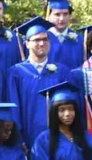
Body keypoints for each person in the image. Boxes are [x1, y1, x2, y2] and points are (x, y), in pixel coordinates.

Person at [7, 16, 61, 145]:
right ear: (27, 43)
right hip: (26, 136)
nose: (42, 43)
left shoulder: (61, 72)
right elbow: (13, 107)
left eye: (45, 39)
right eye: (36, 40)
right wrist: (18, 138)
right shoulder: (16, 72)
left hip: (57, 137)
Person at [39, 0, 83, 70]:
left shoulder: (80, 40)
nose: (62, 18)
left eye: (65, 14)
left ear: (70, 16)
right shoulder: (40, 40)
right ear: (47, 16)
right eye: (57, 14)